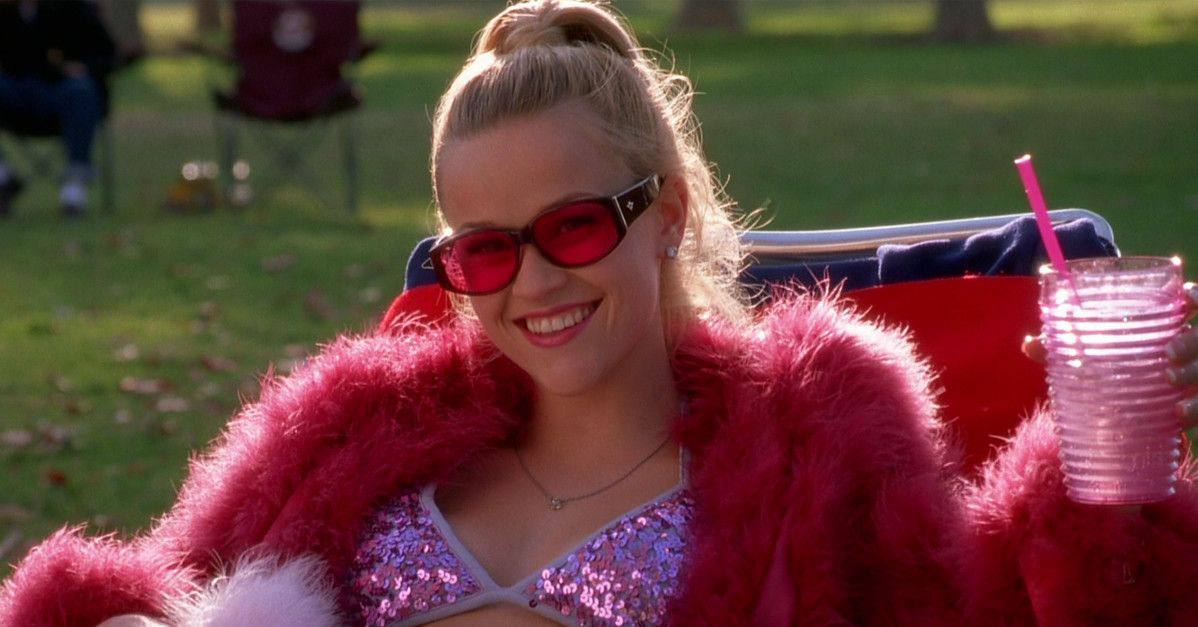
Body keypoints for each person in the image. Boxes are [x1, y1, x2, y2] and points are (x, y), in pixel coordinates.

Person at [3, 1, 1198, 624]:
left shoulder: (815, 446)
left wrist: (1116, 486)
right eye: (483, 250)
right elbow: (151, 589)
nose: (531, 283)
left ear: (665, 211)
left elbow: (970, 612)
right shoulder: (345, 438)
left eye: (573, 227)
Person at [0, 0, 115, 217]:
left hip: (63, 100)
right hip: (15, 102)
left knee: (81, 90)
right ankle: (3, 178)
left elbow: (108, 55)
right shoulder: (6, 11)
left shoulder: (74, 8)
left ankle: (74, 188)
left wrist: (83, 67)